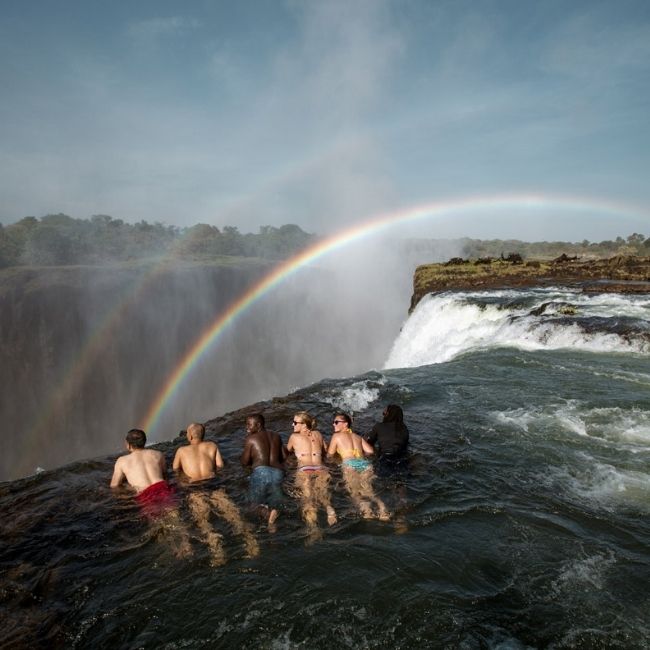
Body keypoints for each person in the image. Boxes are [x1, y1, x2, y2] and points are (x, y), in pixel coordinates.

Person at [173, 422, 258, 565]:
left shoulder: (181, 451)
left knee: (203, 521)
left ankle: (217, 550)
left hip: (194, 487)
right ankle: (251, 542)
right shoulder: (212, 446)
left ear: (191, 435)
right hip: (213, 483)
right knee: (233, 514)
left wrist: (182, 481)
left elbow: (175, 470)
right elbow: (220, 466)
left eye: (187, 432)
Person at [110, 428, 191, 557]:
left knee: (157, 523)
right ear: (145, 442)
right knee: (175, 517)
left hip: (145, 494)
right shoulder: (158, 454)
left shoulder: (122, 461)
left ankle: (174, 550)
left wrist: (129, 489)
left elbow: (114, 485)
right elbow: (164, 474)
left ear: (128, 444)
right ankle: (186, 544)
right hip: (163, 487)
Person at [327, 411, 389, 521]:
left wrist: (337, 459)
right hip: (365, 464)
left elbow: (330, 455)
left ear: (345, 424)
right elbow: (370, 451)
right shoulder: (357, 437)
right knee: (369, 491)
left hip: (349, 464)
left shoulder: (336, 436)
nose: (333, 424)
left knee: (355, 492)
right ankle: (382, 508)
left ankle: (367, 512)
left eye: (336, 422)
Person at [286, 411, 337, 530]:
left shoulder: (294, 437)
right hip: (321, 468)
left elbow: (287, 451)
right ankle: (330, 510)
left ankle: (313, 528)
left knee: (307, 499)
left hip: (305, 469)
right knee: (323, 495)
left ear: (304, 425)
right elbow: (325, 450)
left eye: (295, 422)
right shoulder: (318, 434)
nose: (292, 425)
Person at [240, 413, 285, 531]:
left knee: (252, 505)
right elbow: (284, 456)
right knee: (275, 502)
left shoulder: (251, 439)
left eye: (249, 424)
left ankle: (266, 513)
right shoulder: (277, 436)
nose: (247, 427)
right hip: (278, 472)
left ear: (258, 425)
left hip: (261, 472)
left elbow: (244, 462)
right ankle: (272, 524)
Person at [364, 404, 410, 471]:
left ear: (388, 415)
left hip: (384, 459)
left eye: (384, 413)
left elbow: (369, 442)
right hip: (401, 459)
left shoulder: (379, 426)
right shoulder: (404, 429)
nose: (383, 415)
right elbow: (405, 447)